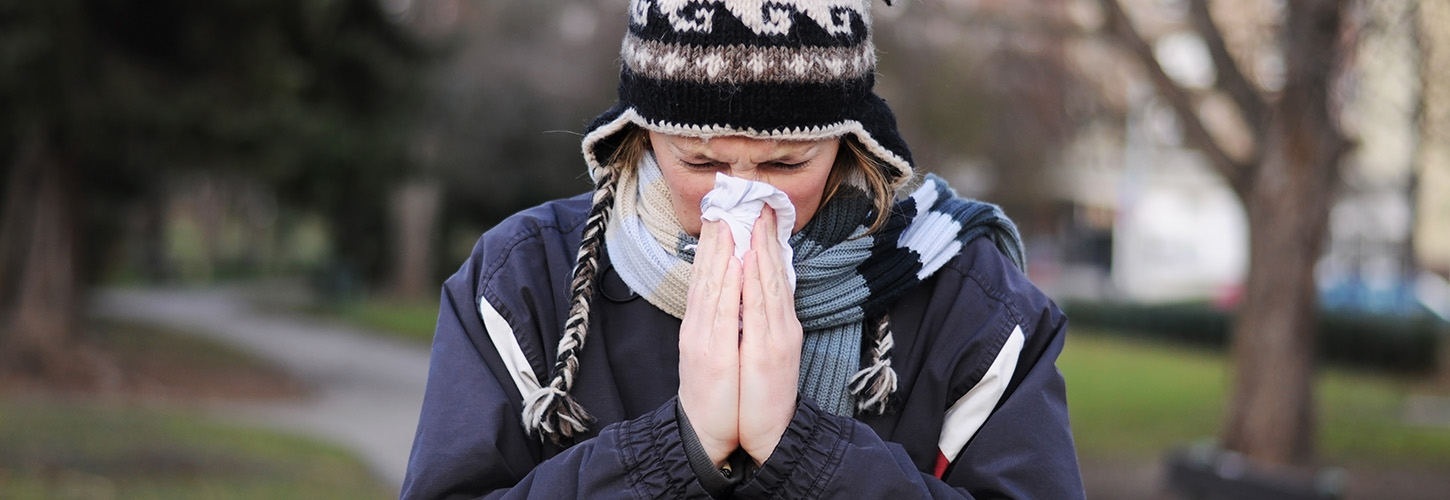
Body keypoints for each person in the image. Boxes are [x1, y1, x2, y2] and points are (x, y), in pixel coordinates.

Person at [400, 1, 1084, 498]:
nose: (743, 197)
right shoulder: (524, 280)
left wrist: (805, 454)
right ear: (639, 136)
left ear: (852, 144)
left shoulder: (972, 306)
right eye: (700, 161)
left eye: (787, 164)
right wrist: (674, 452)